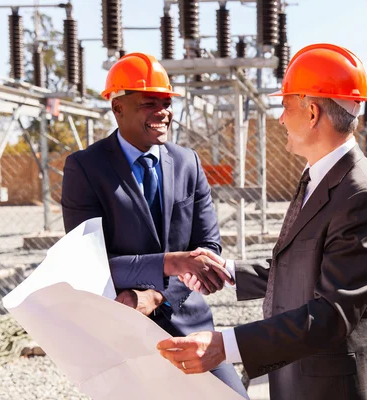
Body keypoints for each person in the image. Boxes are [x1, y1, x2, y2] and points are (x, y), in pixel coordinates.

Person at [157, 43, 367, 400]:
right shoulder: (321, 178)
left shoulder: (362, 196)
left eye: (286, 106)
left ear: (313, 112)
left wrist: (226, 345)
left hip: (338, 388)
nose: (281, 118)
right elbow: (303, 269)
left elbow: (332, 314)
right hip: (304, 377)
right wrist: (229, 272)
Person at [61, 52, 248, 399]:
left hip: (187, 324)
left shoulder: (187, 162)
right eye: (150, 103)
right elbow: (87, 263)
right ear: (118, 109)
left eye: (166, 103)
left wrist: (155, 295)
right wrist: (169, 262)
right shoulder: (86, 168)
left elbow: (208, 248)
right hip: (120, 332)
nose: (163, 112)